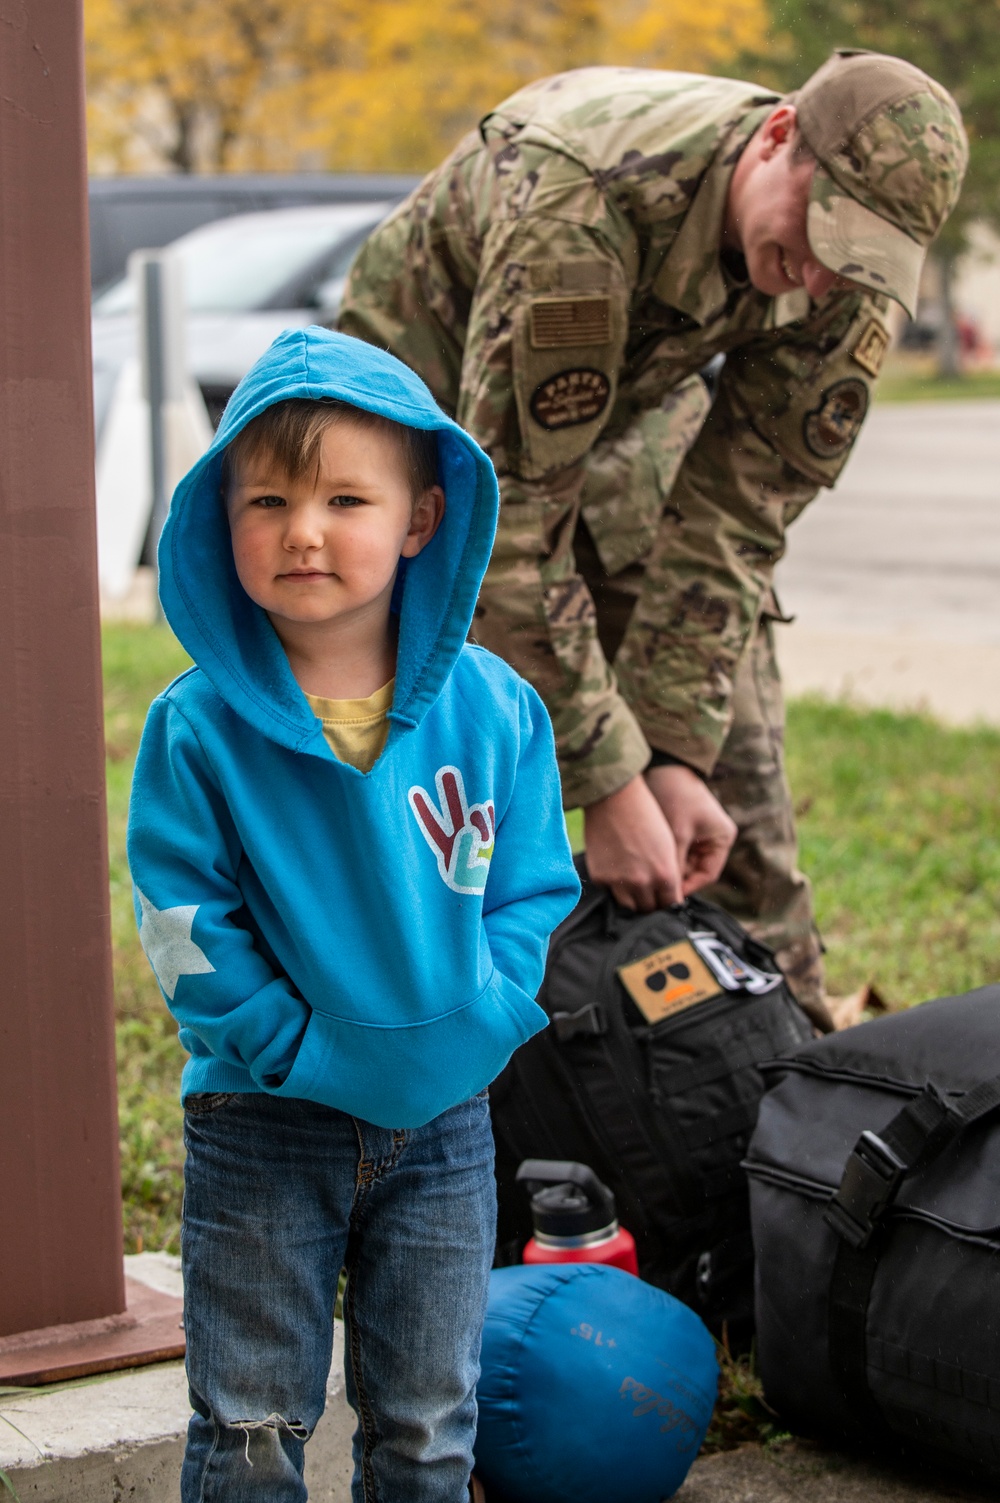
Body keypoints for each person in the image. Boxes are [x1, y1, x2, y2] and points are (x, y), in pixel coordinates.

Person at [339, 49, 967, 1029]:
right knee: (449, 775)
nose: (817, 274)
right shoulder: (581, 205)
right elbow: (502, 525)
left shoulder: (846, 276)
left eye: (858, 258)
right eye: (819, 231)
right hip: (415, 411)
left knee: (727, 794)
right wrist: (608, 780)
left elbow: (733, 526)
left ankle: (790, 1088)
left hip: (630, 408)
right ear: (774, 138)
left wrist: (669, 754)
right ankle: (435, 1074)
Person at [126, 325, 580, 1502]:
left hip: (445, 1125)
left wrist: (485, 1011)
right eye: (265, 500)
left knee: (428, 1422)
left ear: (422, 519)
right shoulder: (199, 729)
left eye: (345, 498)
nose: (304, 531)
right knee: (252, 1421)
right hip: (262, 1119)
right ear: (219, 524)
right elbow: (184, 918)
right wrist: (290, 1046)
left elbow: (533, 885)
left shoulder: (497, 710)